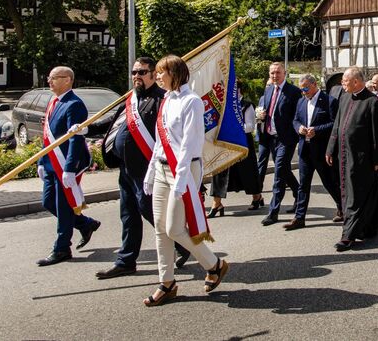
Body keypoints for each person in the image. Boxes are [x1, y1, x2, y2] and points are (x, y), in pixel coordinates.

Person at [142, 55, 228, 306]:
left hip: (183, 170)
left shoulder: (192, 102)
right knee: (160, 228)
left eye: (161, 72)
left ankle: (215, 264)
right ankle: (166, 282)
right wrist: (151, 171)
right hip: (160, 168)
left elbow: (190, 143)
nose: (157, 77)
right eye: (156, 73)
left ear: (176, 74)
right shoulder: (166, 100)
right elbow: (160, 141)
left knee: (174, 229)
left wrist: (181, 179)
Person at [96, 58, 188, 278]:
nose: (136, 76)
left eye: (142, 72)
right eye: (134, 72)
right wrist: (85, 129)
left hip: (148, 169)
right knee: (128, 215)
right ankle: (126, 260)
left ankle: (184, 244)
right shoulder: (130, 100)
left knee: (151, 213)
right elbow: (111, 123)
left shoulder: (161, 100)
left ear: (152, 74)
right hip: (126, 168)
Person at [35, 66, 101, 267]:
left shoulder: (74, 104)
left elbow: (75, 139)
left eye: (54, 78)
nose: (49, 81)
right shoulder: (53, 102)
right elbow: (47, 136)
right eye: (50, 77)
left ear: (68, 80)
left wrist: (70, 168)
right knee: (48, 202)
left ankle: (62, 248)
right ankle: (85, 223)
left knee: (64, 207)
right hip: (51, 163)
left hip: (66, 165)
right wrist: (40, 161)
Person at [325, 67, 378, 252]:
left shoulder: (372, 102)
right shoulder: (344, 98)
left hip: (362, 158)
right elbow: (337, 126)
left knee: (356, 196)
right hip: (344, 155)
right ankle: (369, 226)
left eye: (345, 80)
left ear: (356, 82)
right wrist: (330, 148)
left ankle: (347, 236)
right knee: (356, 192)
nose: (342, 84)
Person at [285, 74, 342, 230]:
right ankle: (299, 217)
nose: (304, 92)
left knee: (329, 182)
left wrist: (317, 130)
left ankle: (342, 207)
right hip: (305, 149)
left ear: (314, 84)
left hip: (322, 150)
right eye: (301, 89)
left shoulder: (329, 101)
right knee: (303, 185)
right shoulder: (301, 101)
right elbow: (295, 120)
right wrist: (299, 128)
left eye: (306, 88)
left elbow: (335, 123)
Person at [259, 62, 302, 226]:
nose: (275, 76)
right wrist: (262, 115)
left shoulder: (294, 92)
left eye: (278, 72)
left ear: (285, 73)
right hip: (271, 138)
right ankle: (299, 195)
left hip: (287, 139)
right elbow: (268, 110)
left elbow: (298, 116)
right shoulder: (269, 89)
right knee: (283, 170)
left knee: (278, 173)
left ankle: (273, 212)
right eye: (272, 73)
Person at [208, 87, 262, 216]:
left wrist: (232, 130)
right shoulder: (222, 105)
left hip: (242, 143)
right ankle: (217, 203)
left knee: (247, 171)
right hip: (225, 143)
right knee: (220, 171)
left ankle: (257, 196)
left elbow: (250, 126)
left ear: (239, 91)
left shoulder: (247, 105)